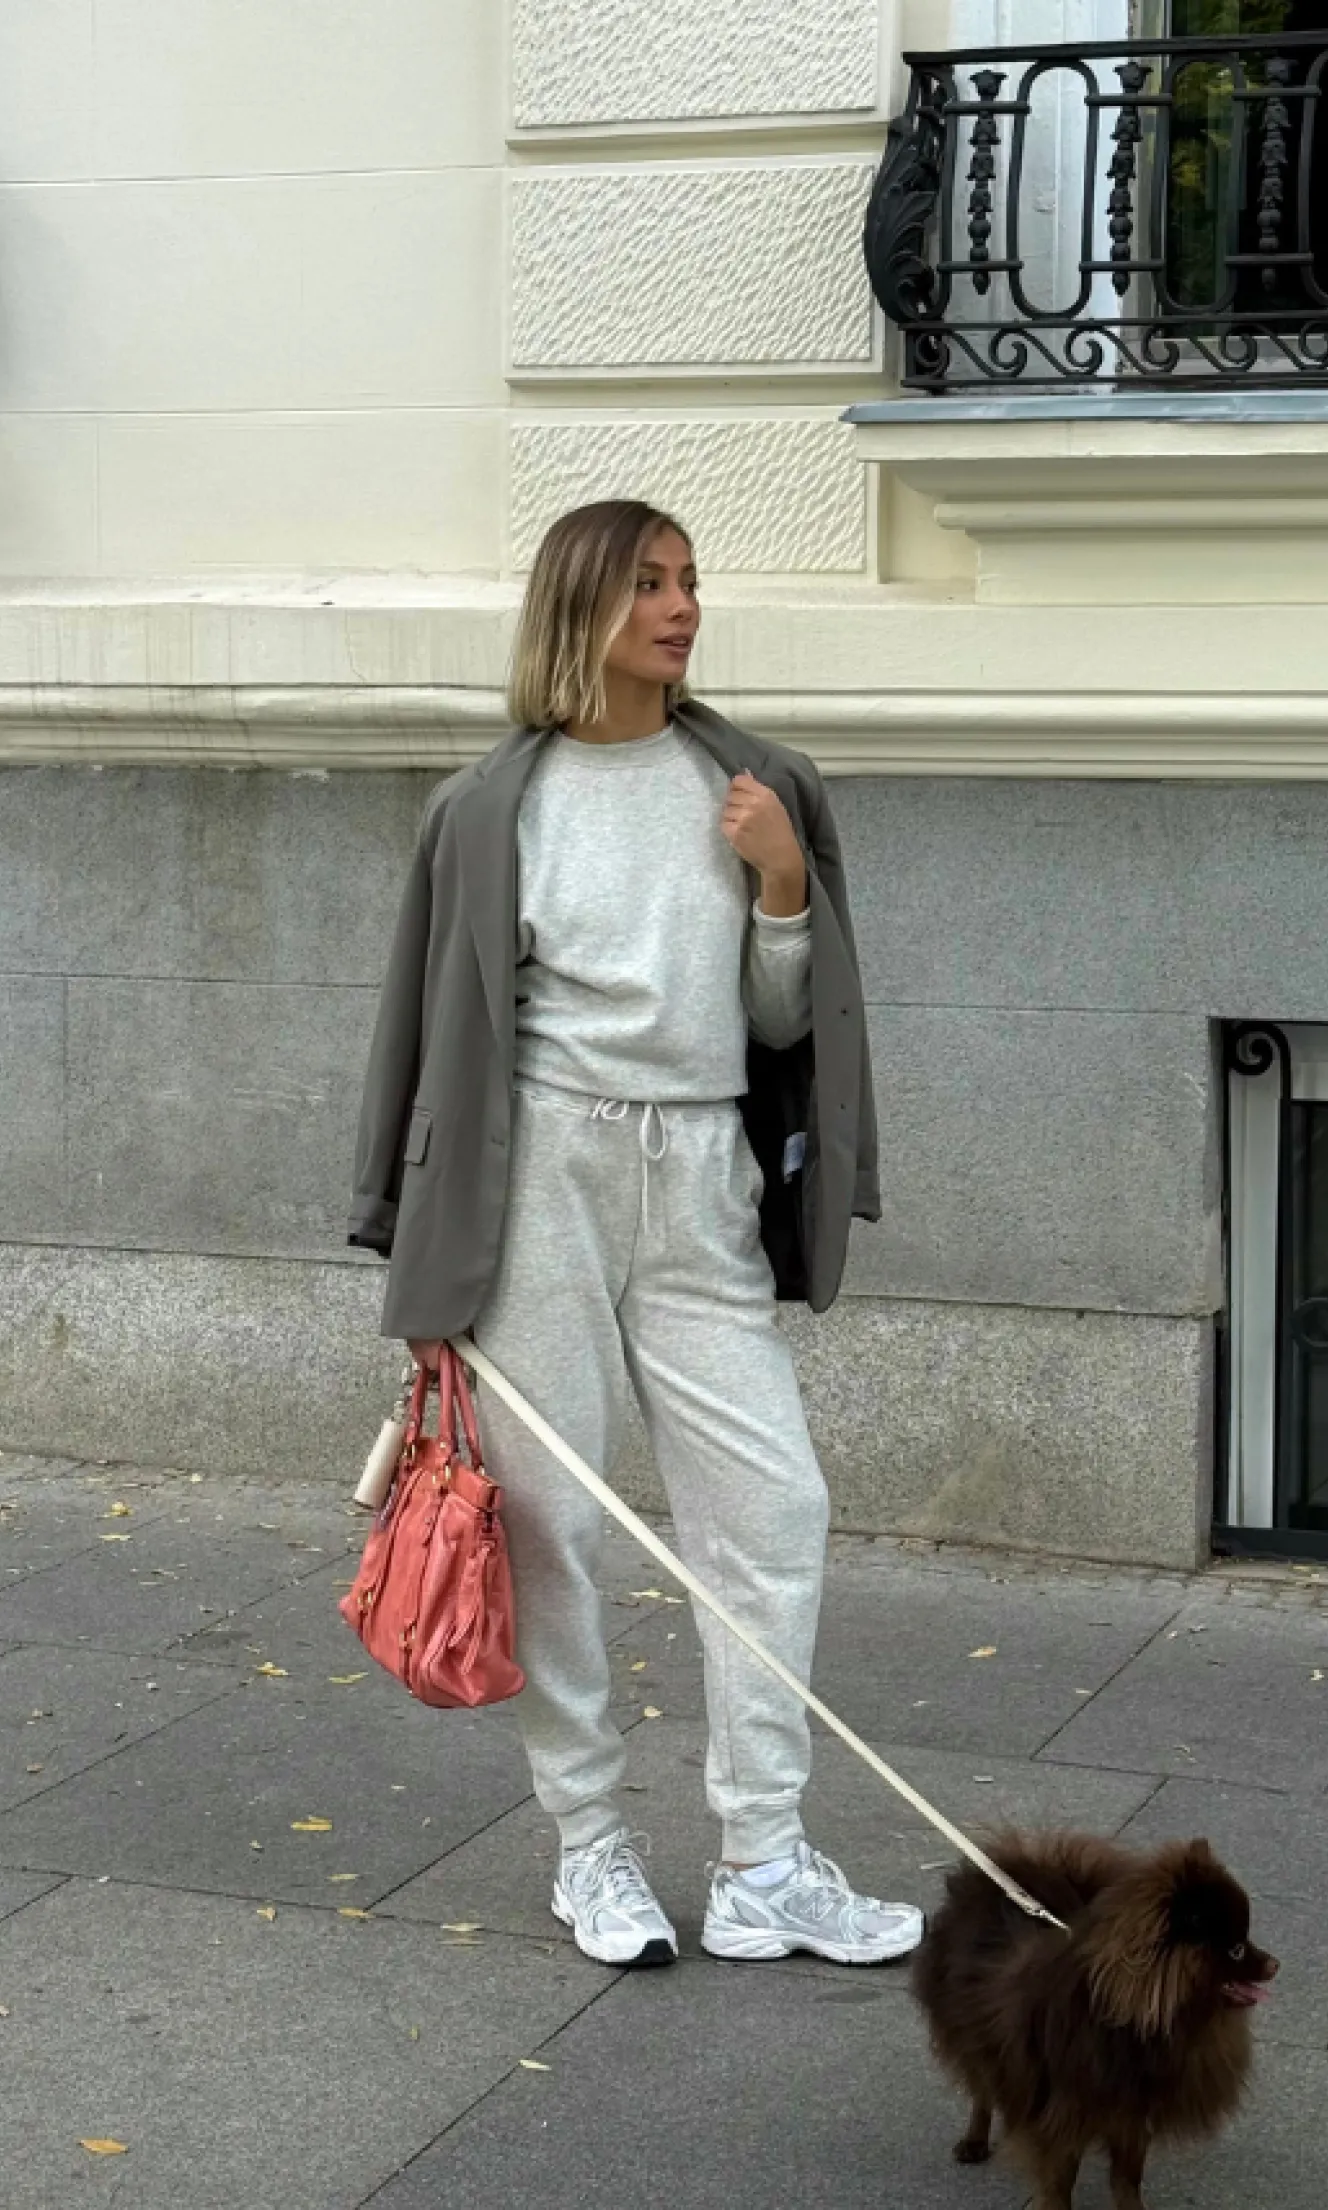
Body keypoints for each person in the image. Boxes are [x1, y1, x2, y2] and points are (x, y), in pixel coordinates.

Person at [349, 499, 921, 1970]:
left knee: (774, 1506)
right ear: (582, 605)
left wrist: (781, 883)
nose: (681, 608)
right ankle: (588, 1843)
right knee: (550, 1520)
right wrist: (410, 1238)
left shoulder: (753, 784)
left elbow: (786, 1022)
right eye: (649, 584)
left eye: (689, 582)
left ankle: (763, 1860)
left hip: (703, 1167)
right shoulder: (488, 808)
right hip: (539, 1172)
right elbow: (419, 1025)